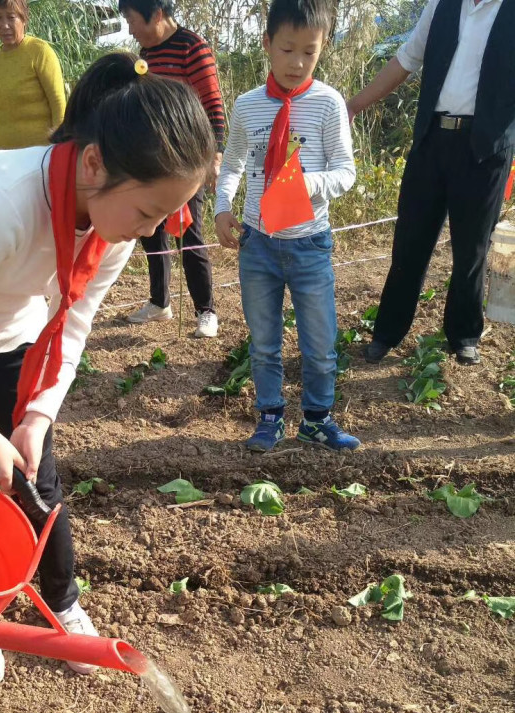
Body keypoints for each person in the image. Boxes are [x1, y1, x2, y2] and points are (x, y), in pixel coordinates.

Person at [0, 53, 215, 686]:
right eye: (148, 214)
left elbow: (73, 321)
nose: (152, 233)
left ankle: (61, 600)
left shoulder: (114, 231)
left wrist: (35, 417)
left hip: (11, 332)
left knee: (38, 477)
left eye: (163, 218)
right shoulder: (0, 203)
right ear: (93, 164)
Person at [215, 0, 359, 452]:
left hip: (309, 244)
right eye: (287, 49)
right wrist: (222, 208)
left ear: (322, 50)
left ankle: (317, 418)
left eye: (309, 52)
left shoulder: (328, 104)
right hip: (258, 245)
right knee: (264, 342)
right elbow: (233, 164)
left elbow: (345, 170)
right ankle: (270, 417)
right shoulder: (247, 106)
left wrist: (305, 183)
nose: (297, 62)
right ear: (267, 45)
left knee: (320, 344)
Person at [348, 0, 515, 367]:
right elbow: (406, 60)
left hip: (485, 149)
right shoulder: (441, 5)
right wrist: (353, 105)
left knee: (471, 249)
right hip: (431, 139)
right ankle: (387, 332)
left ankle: (464, 334)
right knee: (410, 241)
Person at [119, 0, 224, 338]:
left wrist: (214, 156)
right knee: (151, 232)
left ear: (157, 15)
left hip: (187, 160)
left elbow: (213, 105)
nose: (131, 28)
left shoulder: (193, 48)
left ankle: (205, 311)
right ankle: (160, 302)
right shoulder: (145, 54)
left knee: (189, 236)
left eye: (132, 20)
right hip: (153, 159)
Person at [0, 0, 66, 150]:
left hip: (41, 156)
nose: (4, 25)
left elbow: (58, 102)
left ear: (24, 19)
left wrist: (60, 148)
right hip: (5, 159)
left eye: (11, 17)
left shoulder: (40, 52)